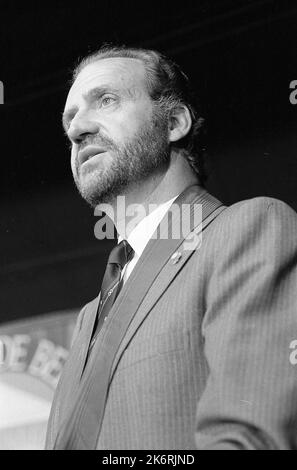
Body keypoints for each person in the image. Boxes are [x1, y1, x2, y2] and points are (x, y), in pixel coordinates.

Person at [45, 45, 297, 450]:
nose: (77, 130)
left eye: (105, 100)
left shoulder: (248, 229)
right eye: (70, 120)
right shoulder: (89, 316)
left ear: (175, 121)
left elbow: (252, 441)